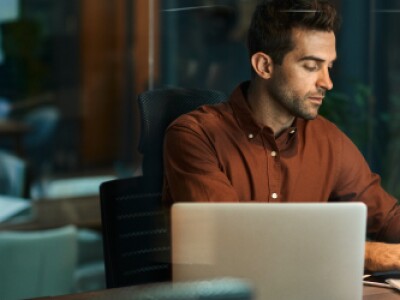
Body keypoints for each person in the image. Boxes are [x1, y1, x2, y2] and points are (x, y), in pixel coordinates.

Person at [162, 0, 400, 272]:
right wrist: (369, 254)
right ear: (264, 65)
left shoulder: (327, 139)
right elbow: (231, 241)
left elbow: (388, 218)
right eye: (311, 66)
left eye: (329, 67)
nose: (327, 83)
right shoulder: (195, 136)